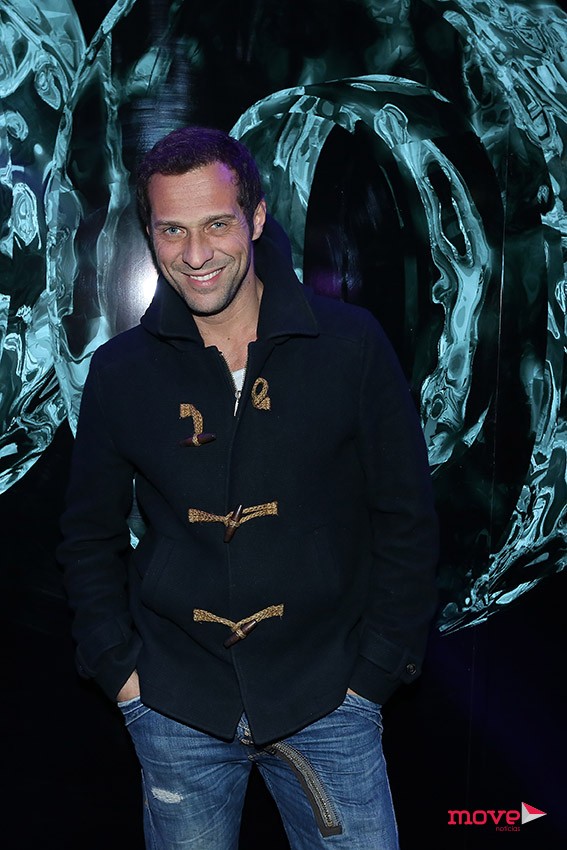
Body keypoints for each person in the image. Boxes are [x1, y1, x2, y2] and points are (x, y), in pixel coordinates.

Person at [58, 126, 438, 849]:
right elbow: (87, 538)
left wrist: (372, 678)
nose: (196, 255)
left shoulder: (349, 347)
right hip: (174, 705)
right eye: (172, 230)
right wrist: (121, 675)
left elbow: (406, 521)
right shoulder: (119, 372)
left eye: (216, 224)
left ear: (256, 218)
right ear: (150, 234)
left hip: (329, 700)